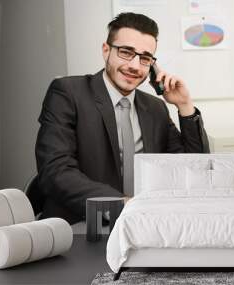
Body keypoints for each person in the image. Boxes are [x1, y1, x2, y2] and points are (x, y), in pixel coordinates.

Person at [35, 12, 210, 224]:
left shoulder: (155, 108)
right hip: (82, 226)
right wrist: (122, 204)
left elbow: (194, 171)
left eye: (144, 58)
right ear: (106, 50)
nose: (135, 66)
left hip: (144, 227)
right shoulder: (68, 93)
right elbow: (55, 171)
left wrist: (184, 106)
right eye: (126, 52)